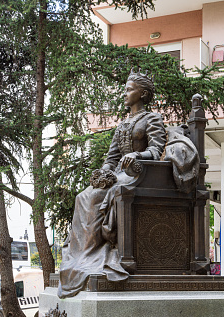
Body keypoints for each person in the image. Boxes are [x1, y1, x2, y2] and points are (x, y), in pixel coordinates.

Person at [58, 71, 167, 298]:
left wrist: (138, 156)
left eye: (129, 89)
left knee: (98, 198)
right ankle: (82, 256)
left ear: (143, 94)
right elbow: (111, 158)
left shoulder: (152, 119)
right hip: (117, 174)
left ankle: (94, 252)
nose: (125, 93)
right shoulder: (122, 124)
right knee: (84, 196)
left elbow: (156, 151)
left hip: (138, 175)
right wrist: (104, 172)